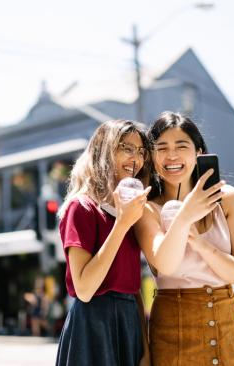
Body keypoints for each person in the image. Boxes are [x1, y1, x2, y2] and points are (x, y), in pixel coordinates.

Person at [135, 112, 234, 365]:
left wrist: (201, 244)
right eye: (162, 148)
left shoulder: (228, 198)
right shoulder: (146, 208)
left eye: (182, 146)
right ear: (152, 157)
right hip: (173, 327)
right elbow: (165, 264)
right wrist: (185, 215)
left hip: (229, 324)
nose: (172, 156)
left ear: (198, 152)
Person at [56, 119, 152, 366]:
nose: (136, 159)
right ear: (104, 151)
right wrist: (121, 224)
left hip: (129, 323)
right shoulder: (82, 208)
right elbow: (85, 289)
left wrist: (145, 347)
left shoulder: (129, 212)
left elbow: (134, 289)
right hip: (92, 328)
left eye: (141, 151)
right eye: (126, 148)